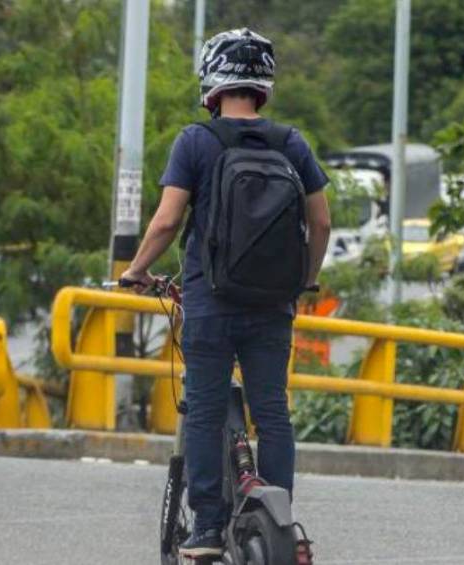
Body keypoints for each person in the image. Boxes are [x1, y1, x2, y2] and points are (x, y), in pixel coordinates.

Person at [121, 28, 331, 559]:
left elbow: (168, 221)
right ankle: (278, 505)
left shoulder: (197, 141)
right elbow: (321, 222)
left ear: (212, 83)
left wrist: (136, 270)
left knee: (206, 412)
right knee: (273, 412)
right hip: (272, 306)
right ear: (264, 84)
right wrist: (304, 279)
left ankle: (209, 527)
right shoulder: (292, 143)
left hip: (211, 304)